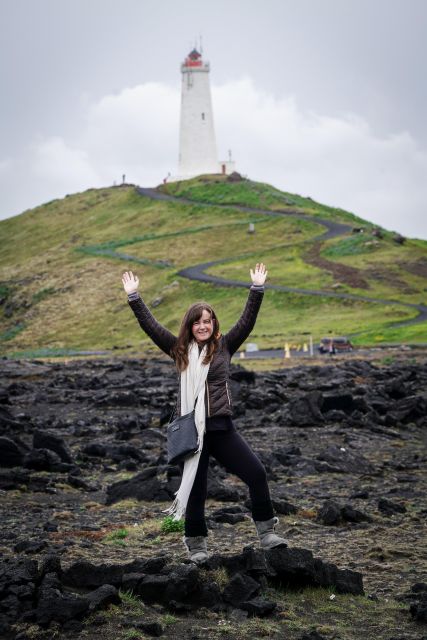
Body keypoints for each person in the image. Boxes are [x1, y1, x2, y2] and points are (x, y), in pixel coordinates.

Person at [121, 264, 287, 563]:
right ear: (190, 326)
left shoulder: (225, 346)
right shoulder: (179, 349)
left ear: (214, 324)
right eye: (197, 322)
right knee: (197, 492)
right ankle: (197, 547)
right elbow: (150, 326)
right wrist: (134, 297)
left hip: (223, 429)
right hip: (193, 435)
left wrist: (257, 289)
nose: (203, 326)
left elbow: (247, 322)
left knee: (257, 474)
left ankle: (267, 532)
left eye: (208, 321)